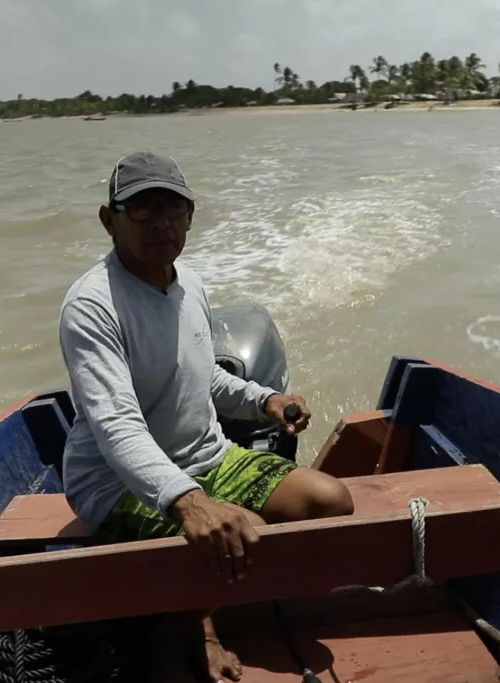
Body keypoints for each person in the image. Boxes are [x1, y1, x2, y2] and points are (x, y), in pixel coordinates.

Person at [57, 151, 355, 681]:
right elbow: (116, 425)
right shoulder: (92, 305)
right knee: (246, 534)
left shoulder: (189, 283)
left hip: (207, 456)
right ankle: (194, 627)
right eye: (142, 210)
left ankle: (199, 585)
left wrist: (265, 400)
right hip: (114, 480)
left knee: (331, 501)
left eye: (172, 209)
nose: (160, 223)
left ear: (190, 217)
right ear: (109, 220)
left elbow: (204, 376)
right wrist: (190, 503)